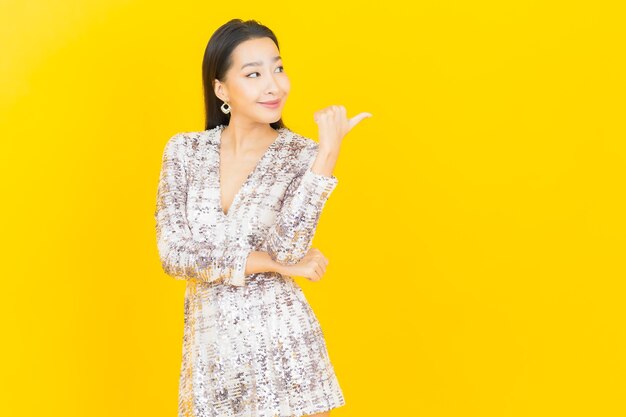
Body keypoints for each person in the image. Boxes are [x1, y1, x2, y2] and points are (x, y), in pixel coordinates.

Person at [154, 19, 371, 417]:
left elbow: (290, 247)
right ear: (221, 89)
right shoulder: (184, 152)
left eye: (278, 68)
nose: (274, 85)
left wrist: (327, 155)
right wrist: (269, 264)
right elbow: (174, 256)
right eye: (253, 74)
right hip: (212, 360)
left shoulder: (301, 156)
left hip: (285, 350)